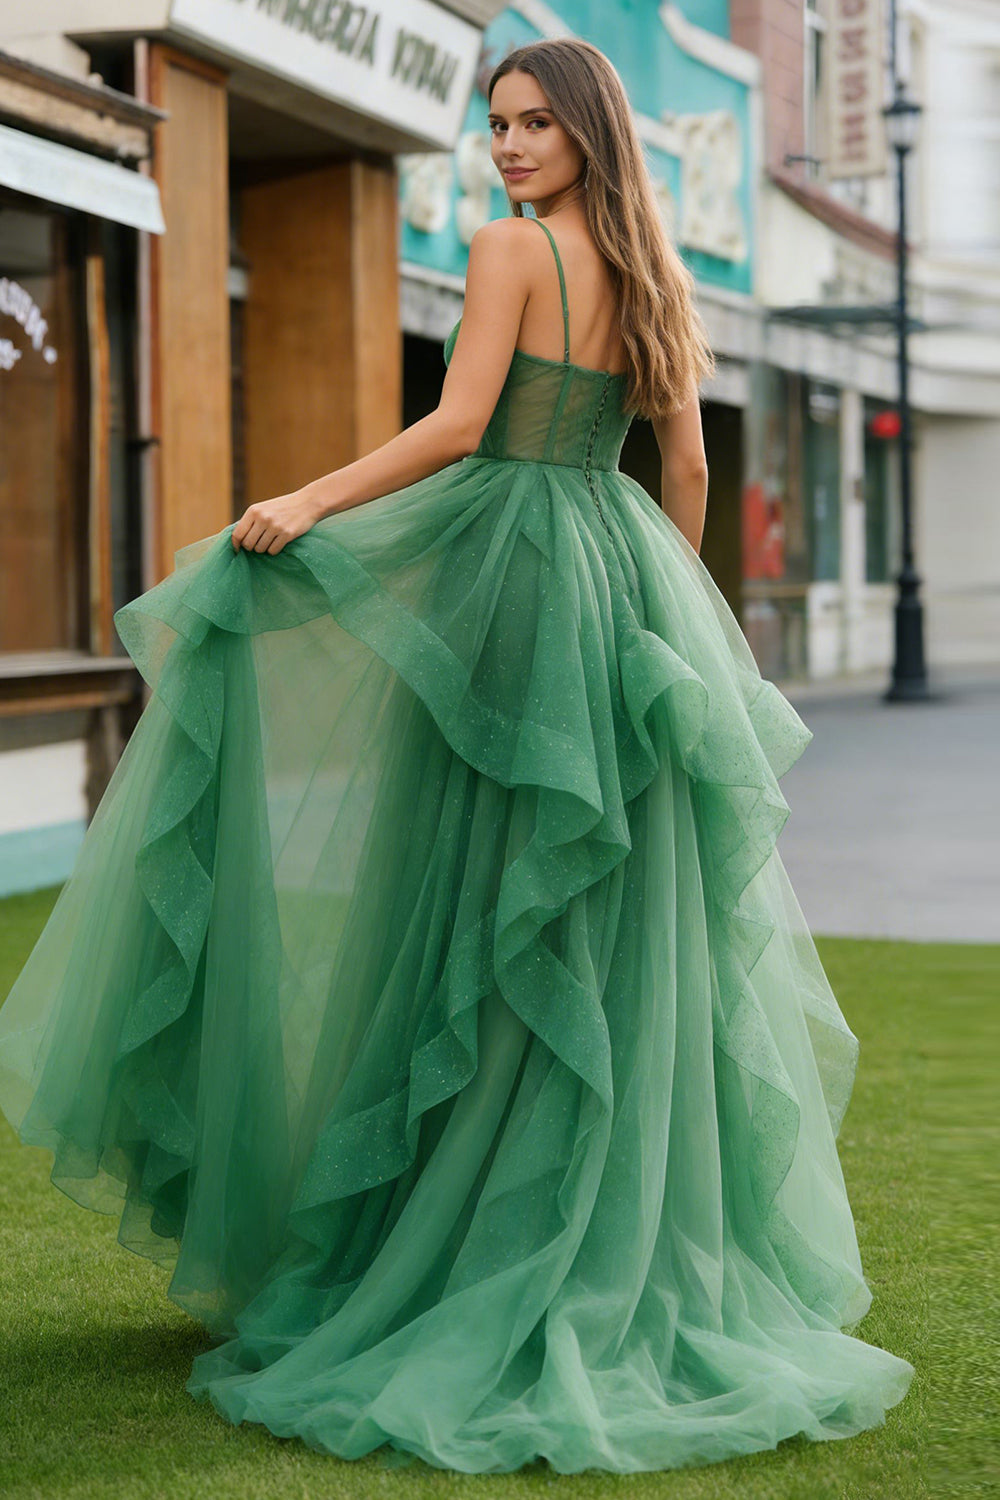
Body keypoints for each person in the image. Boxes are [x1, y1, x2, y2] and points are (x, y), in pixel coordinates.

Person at [0, 36, 913, 1477]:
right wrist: (665, 630)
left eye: (538, 122)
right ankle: (603, 1239)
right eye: (498, 126)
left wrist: (304, 496)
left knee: (480, 906)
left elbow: (463, 425)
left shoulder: (511, 253)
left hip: (525, 589)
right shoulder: (657, 267)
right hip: (623, 590)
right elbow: (681, 472)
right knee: (611, 926)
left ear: (591, 129)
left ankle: (470, 1243)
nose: (510, 147)